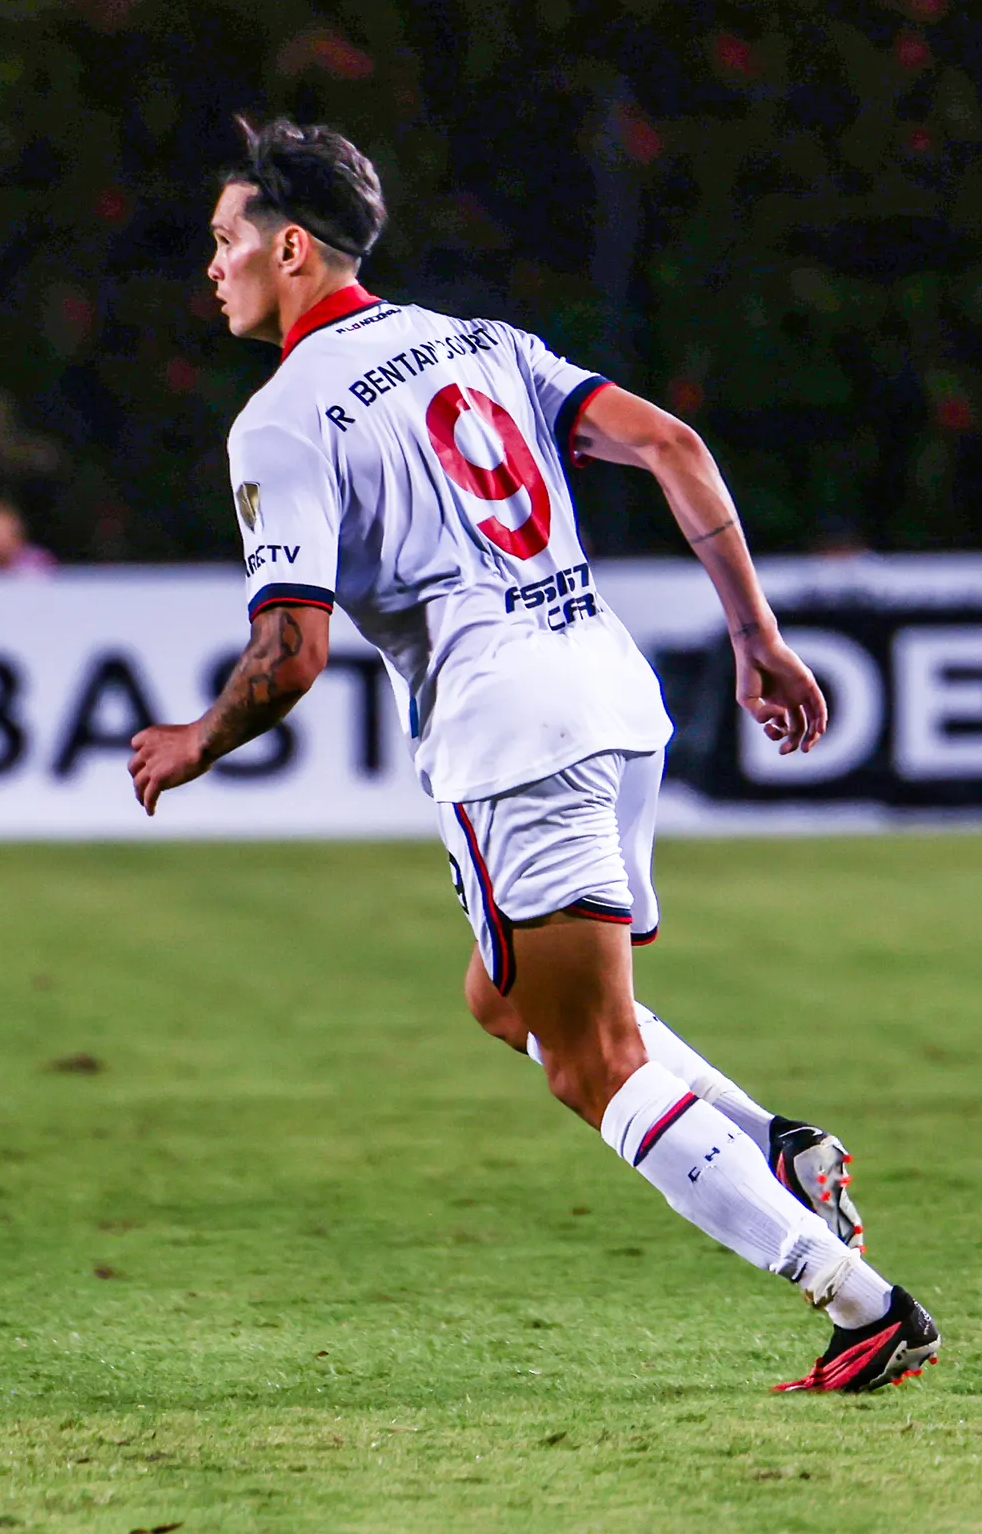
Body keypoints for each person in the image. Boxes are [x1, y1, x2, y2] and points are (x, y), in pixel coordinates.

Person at [128, 115, 940, 1395]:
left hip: (512, 732)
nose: (211, 264)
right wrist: (757, 636)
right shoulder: (485, 345)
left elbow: (289, 655)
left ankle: (860, 1303)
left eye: (226, 238)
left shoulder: (282, 421)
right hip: (611, 696)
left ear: (290, 249)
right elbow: (673, 446)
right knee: (504, 998)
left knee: (590, 1060)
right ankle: (779, 1148)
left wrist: (195, 740)